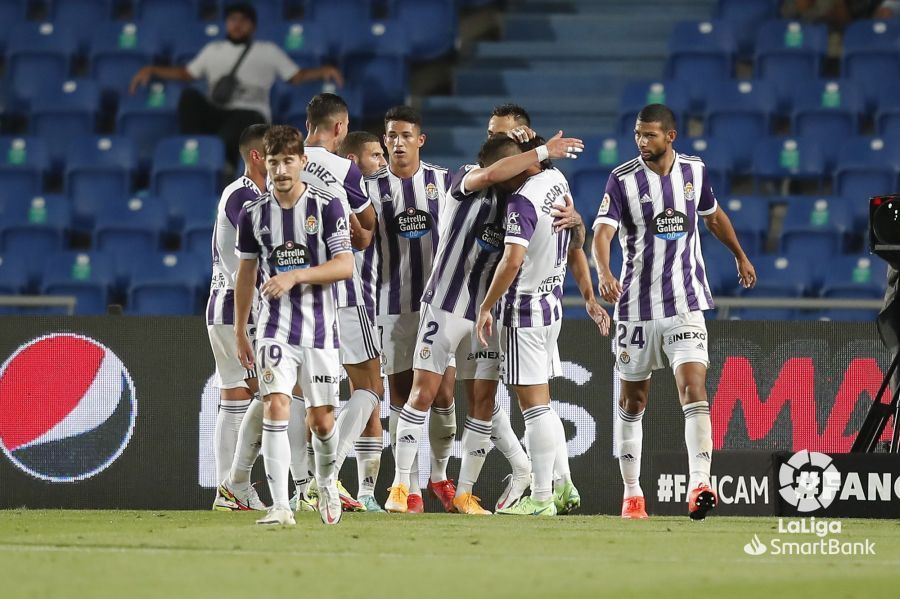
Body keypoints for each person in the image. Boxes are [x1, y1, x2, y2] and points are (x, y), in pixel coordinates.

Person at [389, 131, 591, 515]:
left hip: (488, 313)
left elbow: (570, 235)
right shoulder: (465, 179)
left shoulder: (523, 199)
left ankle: (465, 492)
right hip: (447, 305)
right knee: (424, 393)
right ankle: (402, 487)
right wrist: (543, 150)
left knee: (483, 402)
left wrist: (576, 219)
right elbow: (494, 172)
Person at [591, 104, 756, 521]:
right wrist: (605, 271)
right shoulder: (622, 179)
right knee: (633, 400)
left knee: (693, 388)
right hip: (635, 308)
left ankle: (700, 481)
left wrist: (739, 255)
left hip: (686, 303)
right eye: (637, 135)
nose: (642, 142)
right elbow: (603, 232)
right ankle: (632, 494)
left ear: (671, 136)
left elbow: (713, 217)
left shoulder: (695, 172)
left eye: (649, 135)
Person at [474, 135, 610, 517]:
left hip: (523, 311)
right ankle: (563, 486)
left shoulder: (521, 201)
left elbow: (512, 260)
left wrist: (487, 306)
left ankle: (541, 497)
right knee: (543, 404)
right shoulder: (556, 180)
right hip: (551, 307)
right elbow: (573, 242)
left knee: (534, 409)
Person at [232, 125, 353, 526]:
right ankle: (281, 505)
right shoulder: (254, 215)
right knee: (276, 404)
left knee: (321, 422)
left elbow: (345, 266)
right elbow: (246, 274)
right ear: (263, 165)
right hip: (274, 328)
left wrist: (296, 275)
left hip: (320, 331)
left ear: (302, 161)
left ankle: (327, 481)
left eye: (288, 161)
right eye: (273, 162)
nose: (281, 170)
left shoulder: (328, 206)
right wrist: (240, 330)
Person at [365, 106, 457, 513]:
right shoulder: (370, 189)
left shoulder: (443, 182)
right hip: (391, 305)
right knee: (402, 397)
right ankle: (411, 487)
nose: (398, 142)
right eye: (391, 136)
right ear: (384, 142)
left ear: (421, 140)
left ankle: (440, 475)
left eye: (406, 135)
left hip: (438, 306)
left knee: (443, 393)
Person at [128, 2, 342, 164]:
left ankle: (223, 162)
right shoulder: (214, 50)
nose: (237, 25)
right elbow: (187, 74)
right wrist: (152, 69)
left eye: (243, 20)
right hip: (218, 112)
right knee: (190, 97)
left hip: (250, 114)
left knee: (240, 122)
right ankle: (196, 152)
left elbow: (296, 76)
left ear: (252, 26)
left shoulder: (267, 50)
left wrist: (324, 70)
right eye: (232, 20)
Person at [297, 93, 380, 513]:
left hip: (293, 294)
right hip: (342, 292)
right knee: (369, 388)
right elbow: (367, 229)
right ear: (340, 128)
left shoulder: (285, 161)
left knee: (300, 394)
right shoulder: (342, 167)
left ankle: (298, 482)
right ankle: (325, 478)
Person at [206, 124, 269, 511]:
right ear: (256, 156)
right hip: (238, 307)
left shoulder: (255, 193)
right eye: (273, 153)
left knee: (234, 399)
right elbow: (257, 244)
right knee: (270, 395)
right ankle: (235, 485)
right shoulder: (243, 193)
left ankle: (228, 490)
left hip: (228, 306)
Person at [338, 131, 389, 512]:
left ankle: (366, 491)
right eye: (375, 155)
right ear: (353, 161)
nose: (383, 161)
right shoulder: (343, 195)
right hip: (349, 306)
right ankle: (322, 477)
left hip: (378, 309)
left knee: (372, 400)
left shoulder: (391, 194)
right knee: (357, 392)